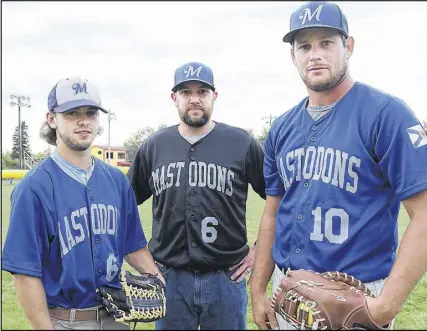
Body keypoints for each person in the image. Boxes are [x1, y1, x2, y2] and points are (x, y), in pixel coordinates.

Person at [250, 1, 427, 330]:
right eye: (304, 46)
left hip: (356, 295)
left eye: (326, 43)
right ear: (293, 56)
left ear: (348, 46)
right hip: (287, 291)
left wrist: (385, 306)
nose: (314, 54)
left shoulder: (386, 114)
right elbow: (272, 211)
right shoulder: (281, 128)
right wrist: (258, 288)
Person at [1, 76, 164, 330]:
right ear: (52, 119)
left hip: (116, 319)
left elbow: (133, 245)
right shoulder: (33, 188)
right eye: (72, 113)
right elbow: (24, 273)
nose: (83, 120)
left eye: (90, 112)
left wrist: (156, 278)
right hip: (64, 321)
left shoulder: (117, 181)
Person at [126, 61, 266, 330]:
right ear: (173, 98)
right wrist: (140, 255)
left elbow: (277, 198)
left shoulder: (241, 142)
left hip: (226, 277)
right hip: (169, 276)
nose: (194, 99)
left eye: (202, 91)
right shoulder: (155, 146)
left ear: (214, 96)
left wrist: (258, 251)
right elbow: (124, 205)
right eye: (185, 92)